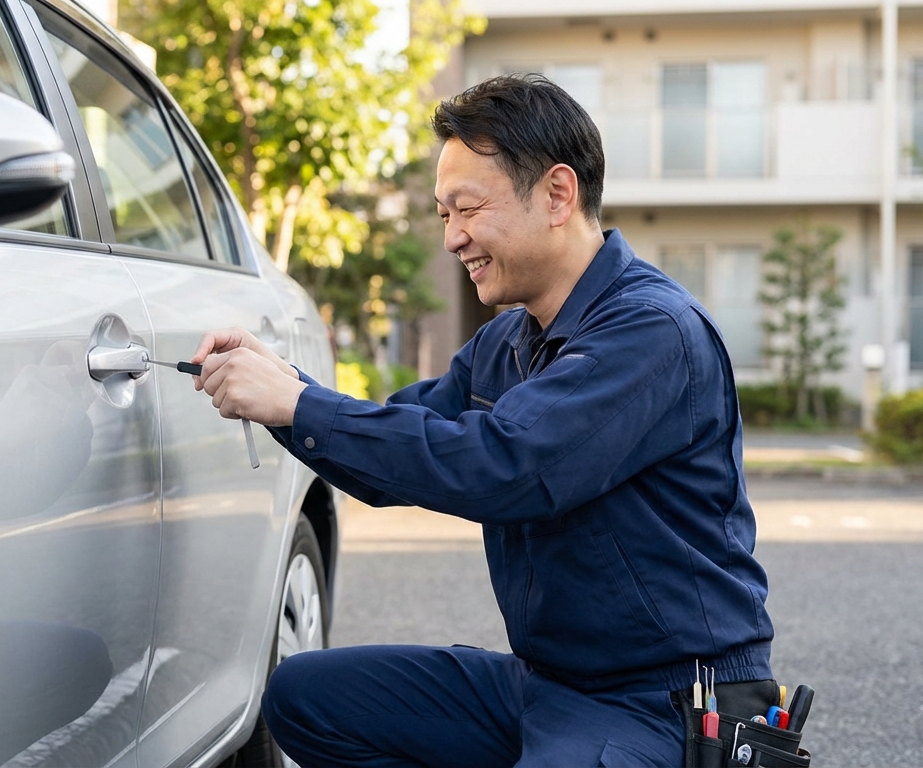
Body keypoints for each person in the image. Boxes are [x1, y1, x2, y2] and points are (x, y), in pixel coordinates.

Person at [190, 74, 774, 767]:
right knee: (306, 697)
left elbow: (507, 464)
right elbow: (399, 443)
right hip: (547, 685)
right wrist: (283, 388)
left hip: (667, 703)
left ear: (558, 194)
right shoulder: (507, 341)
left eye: (467, 208)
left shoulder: (651, 332)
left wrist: (296, 404)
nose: (452, 238)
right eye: (443, 214)